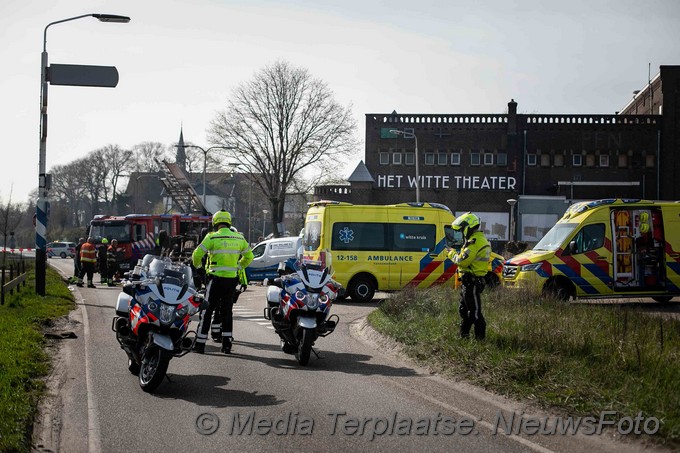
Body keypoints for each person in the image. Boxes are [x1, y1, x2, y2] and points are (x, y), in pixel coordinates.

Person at [192, 210, 253, 354]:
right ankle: (226, 345)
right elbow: (249, 256)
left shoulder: (212, 237)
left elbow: (196, 255)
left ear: (215, 222)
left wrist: (200, 269)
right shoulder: (239, 238)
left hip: (214, 279)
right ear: (229, 222)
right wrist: (238, 267)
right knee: (227, 312)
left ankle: (200, 344)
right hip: (231, 280)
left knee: (207, 310)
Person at [447, 212, 491, 340]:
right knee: (464, 310)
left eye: (461, 230)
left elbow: (462, 261)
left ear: (468, 227)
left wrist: (451, 254)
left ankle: (480, 339)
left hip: (472, 282)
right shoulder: (475, 240)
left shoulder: (474, 242)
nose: (461, 232)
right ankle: (463, 337)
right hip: (469, 282)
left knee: (474, 313)